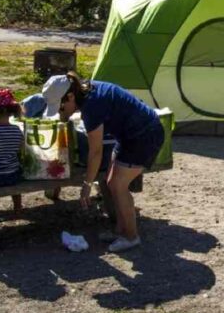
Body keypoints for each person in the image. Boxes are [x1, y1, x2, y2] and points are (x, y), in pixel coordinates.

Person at [41, 72, 163, 253]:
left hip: (145, 135)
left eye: (60, 107)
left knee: (118, 185)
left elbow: (95, 152)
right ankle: (121, 231)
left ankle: (131, 237)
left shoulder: (92, 106)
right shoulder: (87, 90)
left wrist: (87, 184)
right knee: (112, 183)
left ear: (71, 96)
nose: (61, 112)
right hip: (129, 134)